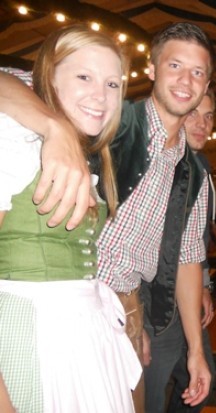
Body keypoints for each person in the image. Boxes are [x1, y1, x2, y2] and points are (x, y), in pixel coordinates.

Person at [0, 22, 216, 411]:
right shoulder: (105, 118)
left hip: (120, 306)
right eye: (175, 66)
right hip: (53, 304)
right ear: (151, 69)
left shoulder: (192, 169)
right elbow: (6, 78)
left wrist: (195, 350)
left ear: (207, 84)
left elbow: (187, 257)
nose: (186, 80)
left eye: (198, 72)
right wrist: (54, 128)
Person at [0, 24, 141, 412]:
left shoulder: (87, 153)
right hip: (32, 332)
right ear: (47, 78)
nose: (101, 95)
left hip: (83, 334)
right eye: (84, 77)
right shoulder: (13, 133)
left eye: (112, 84)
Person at [144, 90, 216, 413]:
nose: (202, 124)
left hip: (182, 293)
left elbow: (193, 239)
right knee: (149, 396)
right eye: (193, 114)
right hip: (151, 300)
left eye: (209, 116)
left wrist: (203, 284)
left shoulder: (199, 166)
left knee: (200, 381)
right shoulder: (153, 160)